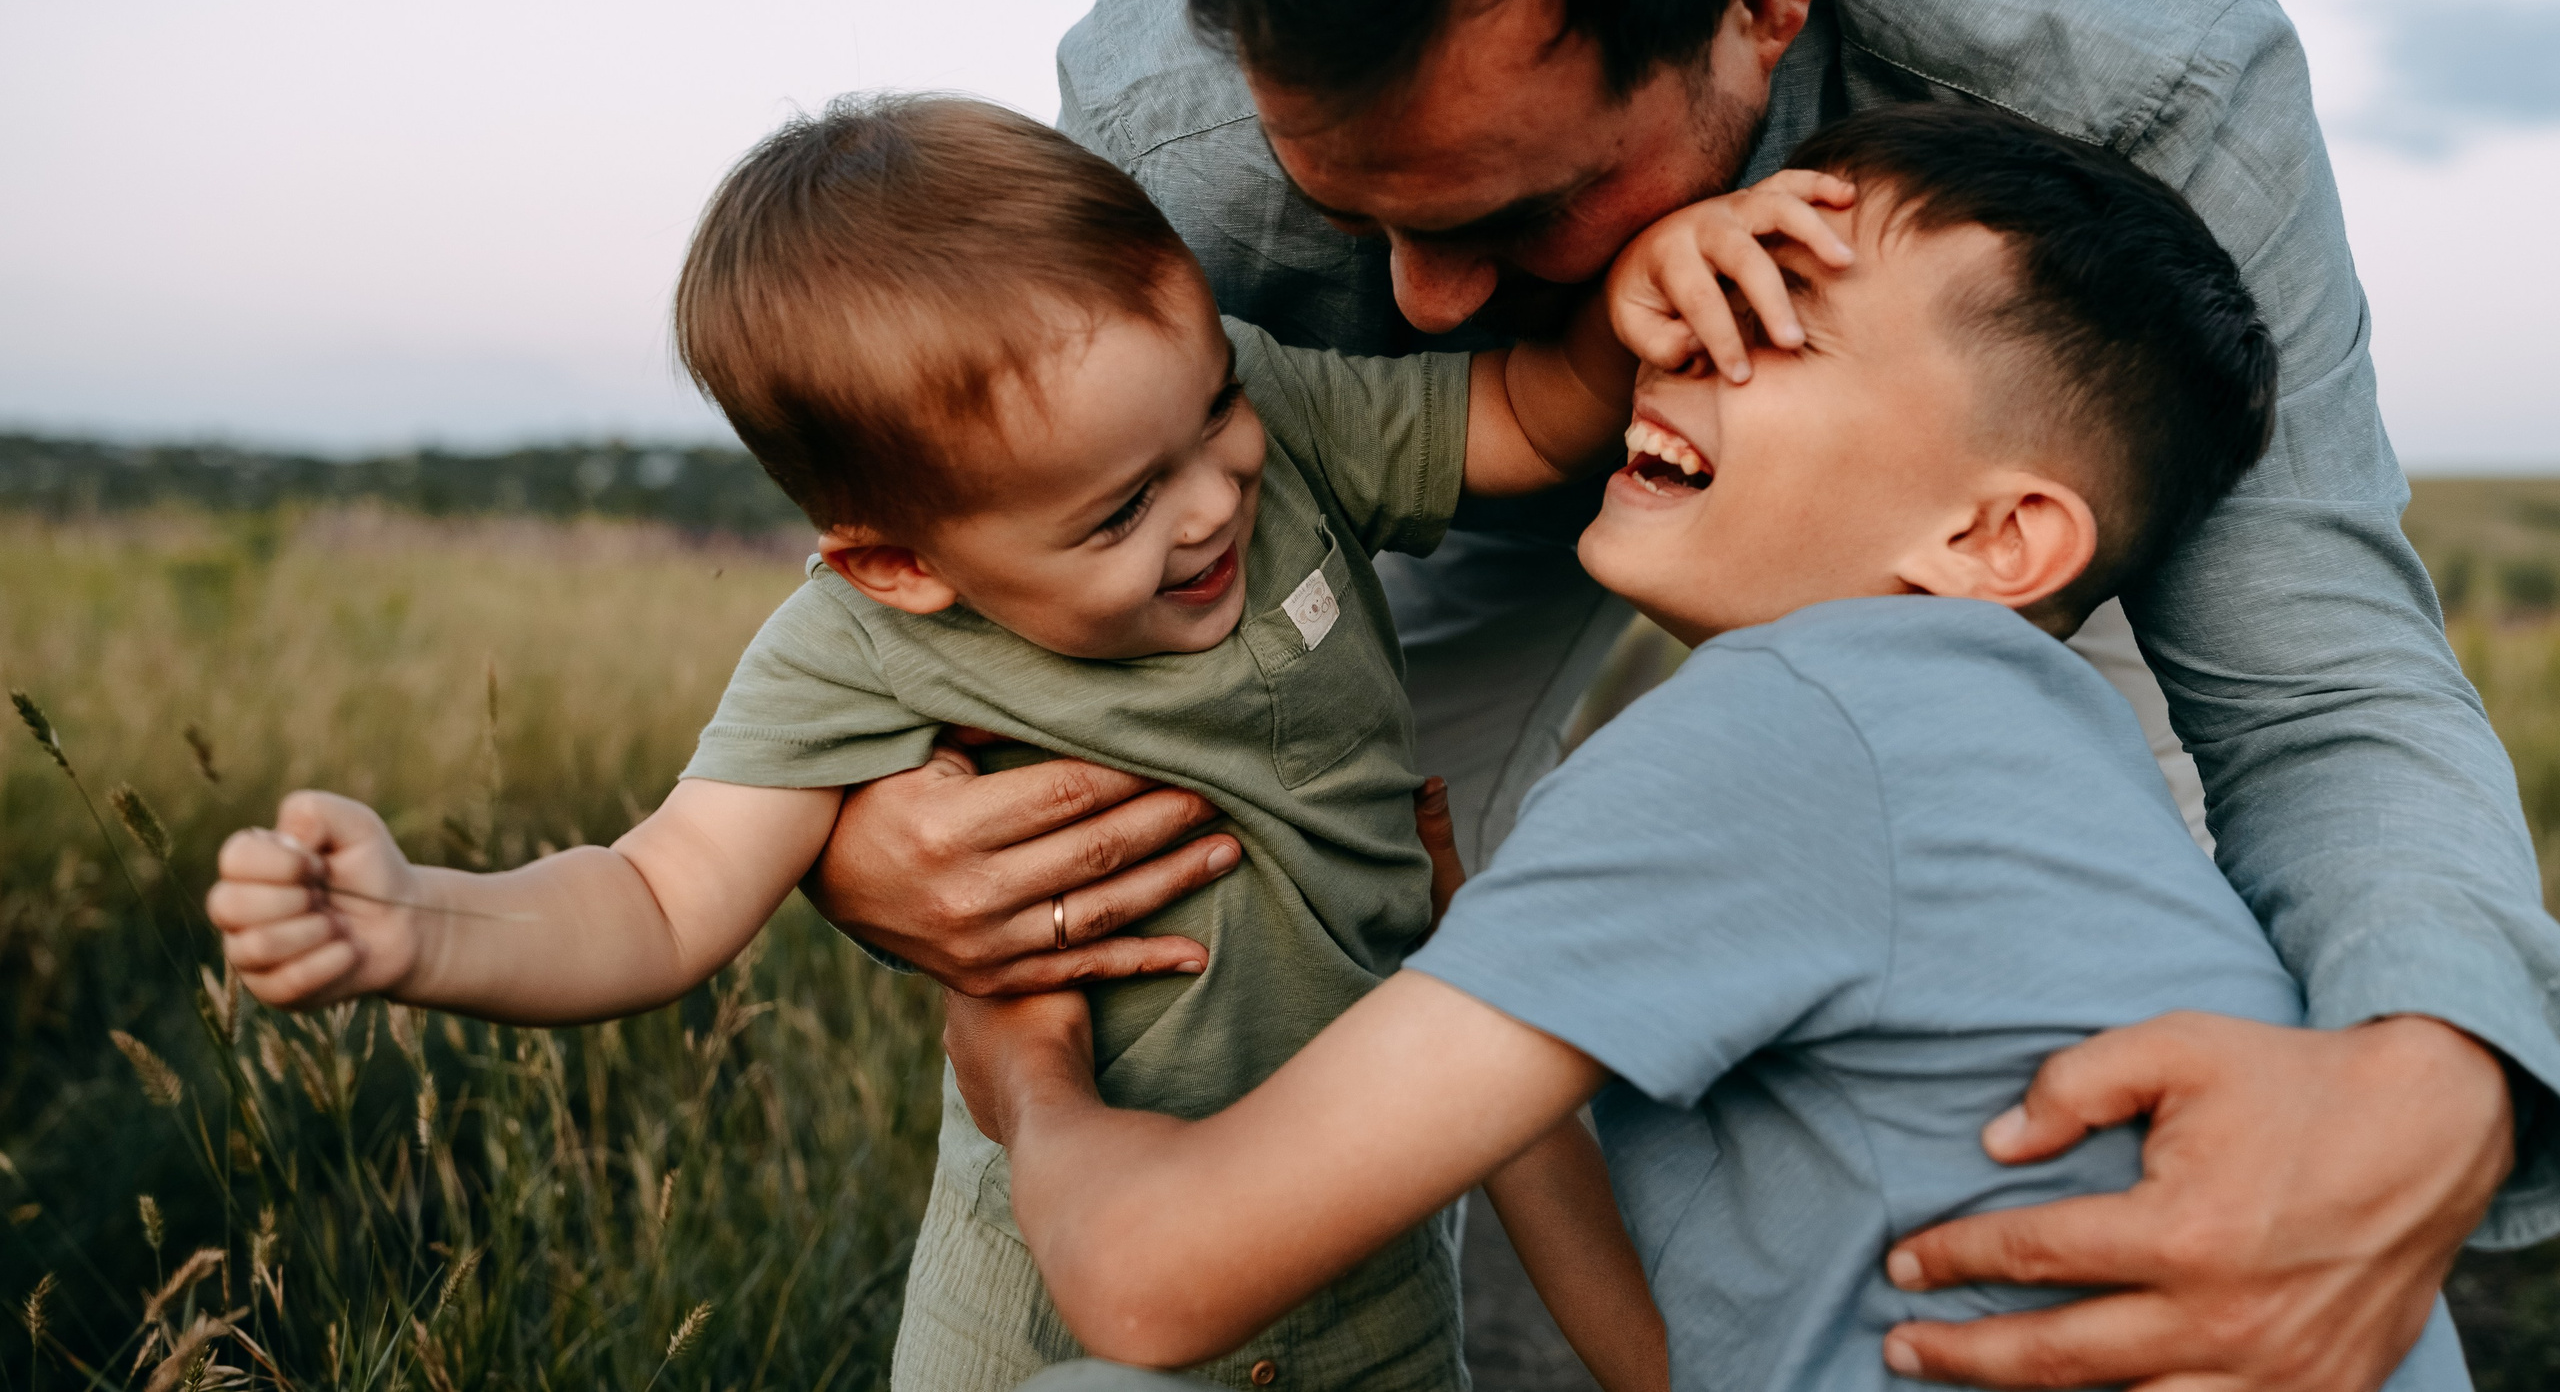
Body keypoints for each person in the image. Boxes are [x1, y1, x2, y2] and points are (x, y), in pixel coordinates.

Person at [800, 0, 2560, 1384]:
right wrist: (851, 818)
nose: (1432, 293)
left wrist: (2434, 1081)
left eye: (1521, 204)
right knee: (1164, 910)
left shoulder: (2124, 54)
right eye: (1362, 211)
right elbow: (999, 544)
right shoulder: (1184, 135)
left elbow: (2318, 690)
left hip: (1943, 455)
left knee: (2085, 974)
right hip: (1384, 445)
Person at [200, 93, 1797, 1391]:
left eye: (1214, 411)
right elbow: (655, 900)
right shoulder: (855, 650)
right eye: (1118, 510)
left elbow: (1519, 415)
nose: (1212, 500)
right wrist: (420, 924)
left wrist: (1641, 307)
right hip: (1044, 1298)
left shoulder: (1263, 425)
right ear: (901, 562)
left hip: (1358, 1247)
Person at [936, 103, 2483, 1392]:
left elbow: (1152, 1281)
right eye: (1712, 296)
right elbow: (1691, 1363)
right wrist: (1483, 956)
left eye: (1778, 326)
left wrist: (1031, 1078)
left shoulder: (1800, 721)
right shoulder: (2045, 768)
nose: (1680, 343)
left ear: (1995, 539)